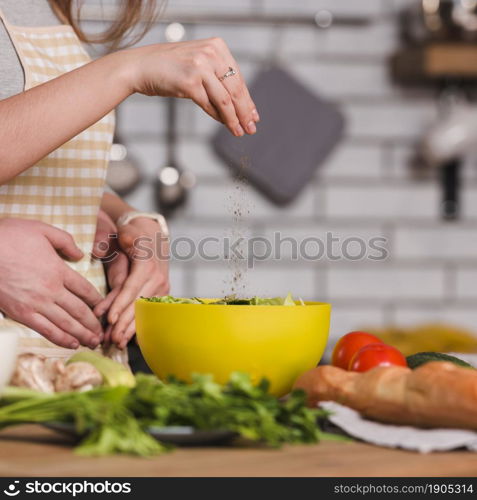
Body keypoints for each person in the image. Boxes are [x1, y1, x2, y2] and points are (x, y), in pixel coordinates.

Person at [0, 0, 259, 360]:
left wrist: (123, 217)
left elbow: (35, 164)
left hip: (76, 370)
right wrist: (126, 70)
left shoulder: (47, 7)